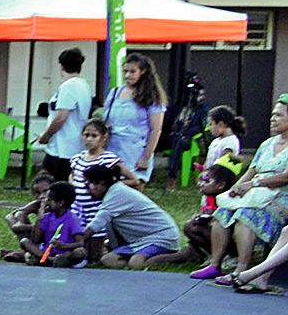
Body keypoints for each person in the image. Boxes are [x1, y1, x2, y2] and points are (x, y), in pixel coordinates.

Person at [197, 97, 288, 283]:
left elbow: (285, 177)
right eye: (273, 115)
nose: (273, 119)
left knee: (245, 216)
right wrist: (237, 186)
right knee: (222, 213)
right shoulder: (267, 144)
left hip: (280, 195)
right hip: (257, 192)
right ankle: (215, 264)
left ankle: (242, 269)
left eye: (279, 115)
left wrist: (254, 184)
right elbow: (251, 171)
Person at [82, 163, 183, 268]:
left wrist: (76, 242)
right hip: (139, 241)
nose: (87, 190)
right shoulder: (112, 193)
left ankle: (177, 257)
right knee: (108, 260)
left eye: (88, 185)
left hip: (162, 237)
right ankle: (143, 257)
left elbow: (95, 225)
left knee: (136, 263)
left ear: (101, 184)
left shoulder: (117, 194)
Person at [105, 54, 168, 183]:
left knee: (133, 186)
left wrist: (146, 157)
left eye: (133, 71)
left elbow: (155, 129)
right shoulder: (115, 92)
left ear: (142, 71)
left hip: (135, 151)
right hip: (113, 149)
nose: (128, 75)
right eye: (126, 71)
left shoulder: (151, 97)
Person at [33, 47, 93, 183]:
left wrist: (46, 135)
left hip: (62, 146)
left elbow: (61, 117)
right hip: (74, 143)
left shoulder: (68, 87)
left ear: (61, 66)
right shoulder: (83, 85)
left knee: (51, 183)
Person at [69, 118, 130, 223]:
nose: (89, 139)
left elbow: (133, 180)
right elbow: (73, 175)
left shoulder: (109, 159)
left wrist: (107, 186)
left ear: (103, 137)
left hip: (96, 209)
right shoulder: (77, 159)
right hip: (78, 209)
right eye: (86, 135)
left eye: (94, 136)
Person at [17, 181, 87, 267]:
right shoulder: (47, 216)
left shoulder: (72, 218)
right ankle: (51, 260)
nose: (47, 202)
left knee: (80, 252)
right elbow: (35, 239)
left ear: (60, 203)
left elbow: (80, 243)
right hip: (46, 252)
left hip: (65, 252)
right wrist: (39, 219)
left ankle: (51, 260)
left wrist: (64, 246)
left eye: (50, 200)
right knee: (24, 241)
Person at [0, 171, 58, 257]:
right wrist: (16, 226)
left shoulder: (57, 205)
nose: (41, 196)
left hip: (53, 239)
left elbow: (51, 228)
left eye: (45, 191)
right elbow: (10, 216)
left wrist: (25, 226)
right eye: (37, 193)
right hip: (37, 237)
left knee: (23, 225)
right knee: (19, 214)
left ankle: (26, 253)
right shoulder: (36, 204)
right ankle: (28, 250)